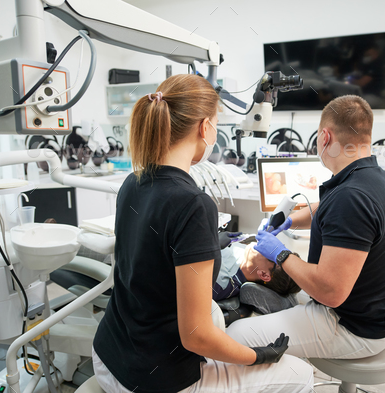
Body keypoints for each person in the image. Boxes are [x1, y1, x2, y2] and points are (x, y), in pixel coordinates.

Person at [92, 74, 313, 393]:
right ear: (206, 128)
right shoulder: (194, 205)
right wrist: (256, 356)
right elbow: (195, 335)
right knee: (300, 373)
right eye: (217, 122)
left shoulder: (132, 182)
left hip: (108, 356)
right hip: (151, 381)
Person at [227, 95, 385, 361]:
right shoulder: (373, 178)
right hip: (369, 313)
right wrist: (289, 220)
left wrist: (281, 255)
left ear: (325, 137)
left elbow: (330, 293)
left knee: (236, 334)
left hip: (349, 327)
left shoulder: (351, 197)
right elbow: (325, 208)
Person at [214, 241, 301, 302]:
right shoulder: (246, 251)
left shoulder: (221, 284)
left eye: (273, 253)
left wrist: (212, 244)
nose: (269, 245)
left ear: (264, 274)